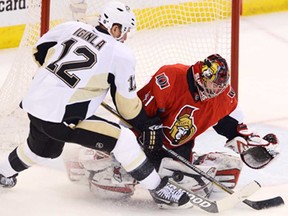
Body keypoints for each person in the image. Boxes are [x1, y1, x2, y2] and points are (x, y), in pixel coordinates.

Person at [0, 0, 193, 209]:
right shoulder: (120, 54)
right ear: (115, 28)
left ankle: (3, 172)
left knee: (43, 150)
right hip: (60, 118)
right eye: (124, 31)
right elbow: (126, 107)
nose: (126, 37)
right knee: (124, 140)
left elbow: (40, 50)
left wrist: (58, 80)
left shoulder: (71, 27)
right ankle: (160, 189)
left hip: (35, 103)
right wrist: (147, 123)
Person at [63, 53, 280, 199]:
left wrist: (250, 143)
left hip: (174, 150)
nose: (216, 90)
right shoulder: (171, 77)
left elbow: (232, 128)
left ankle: (180, 169)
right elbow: (133, 113)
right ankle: (94, 157)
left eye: (220, 86)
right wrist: (148, 128)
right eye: (213, 84)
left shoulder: (223, 97)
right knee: (116, 187)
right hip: (141, 141)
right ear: (201, 76)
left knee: (217, 176)